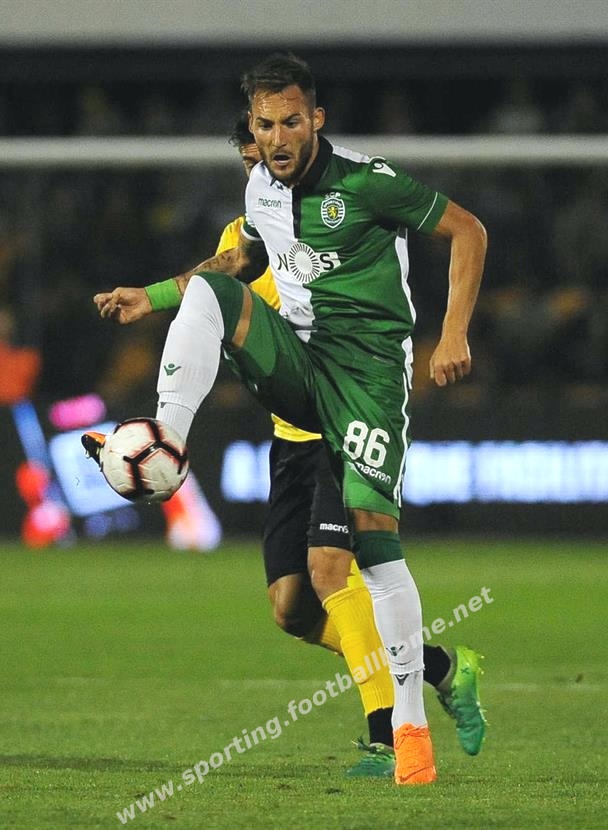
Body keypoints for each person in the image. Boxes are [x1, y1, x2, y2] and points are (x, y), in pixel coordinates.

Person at [90, 53, 487, 785]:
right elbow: (235, 262)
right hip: (300, 391)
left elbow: (468, 230)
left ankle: (406, 736)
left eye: (290, 123)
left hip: (365, 382)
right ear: (252, 127)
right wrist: (153, 295)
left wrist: (455, 331)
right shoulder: (259, 193)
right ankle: (167, 443)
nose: (275, 140)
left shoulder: (367, 182)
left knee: (365, 555)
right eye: (264, 126)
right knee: (206, 296)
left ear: (316, 120)